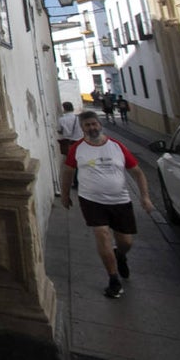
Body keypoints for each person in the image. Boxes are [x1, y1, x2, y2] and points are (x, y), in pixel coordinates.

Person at [60, 110, 154, 298]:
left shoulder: (117, 146)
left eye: (94, 124)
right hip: (91, 200)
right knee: (102, 235)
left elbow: (137, 172)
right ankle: (113, 279)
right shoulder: (77, 149)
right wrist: (65, 194)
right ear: (82, 128)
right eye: (87, 125)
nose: (91, 128)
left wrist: (145, 197)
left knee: (126, 241)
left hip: (120, 200)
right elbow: (68, 171)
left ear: (100, 125)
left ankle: (120, 255)